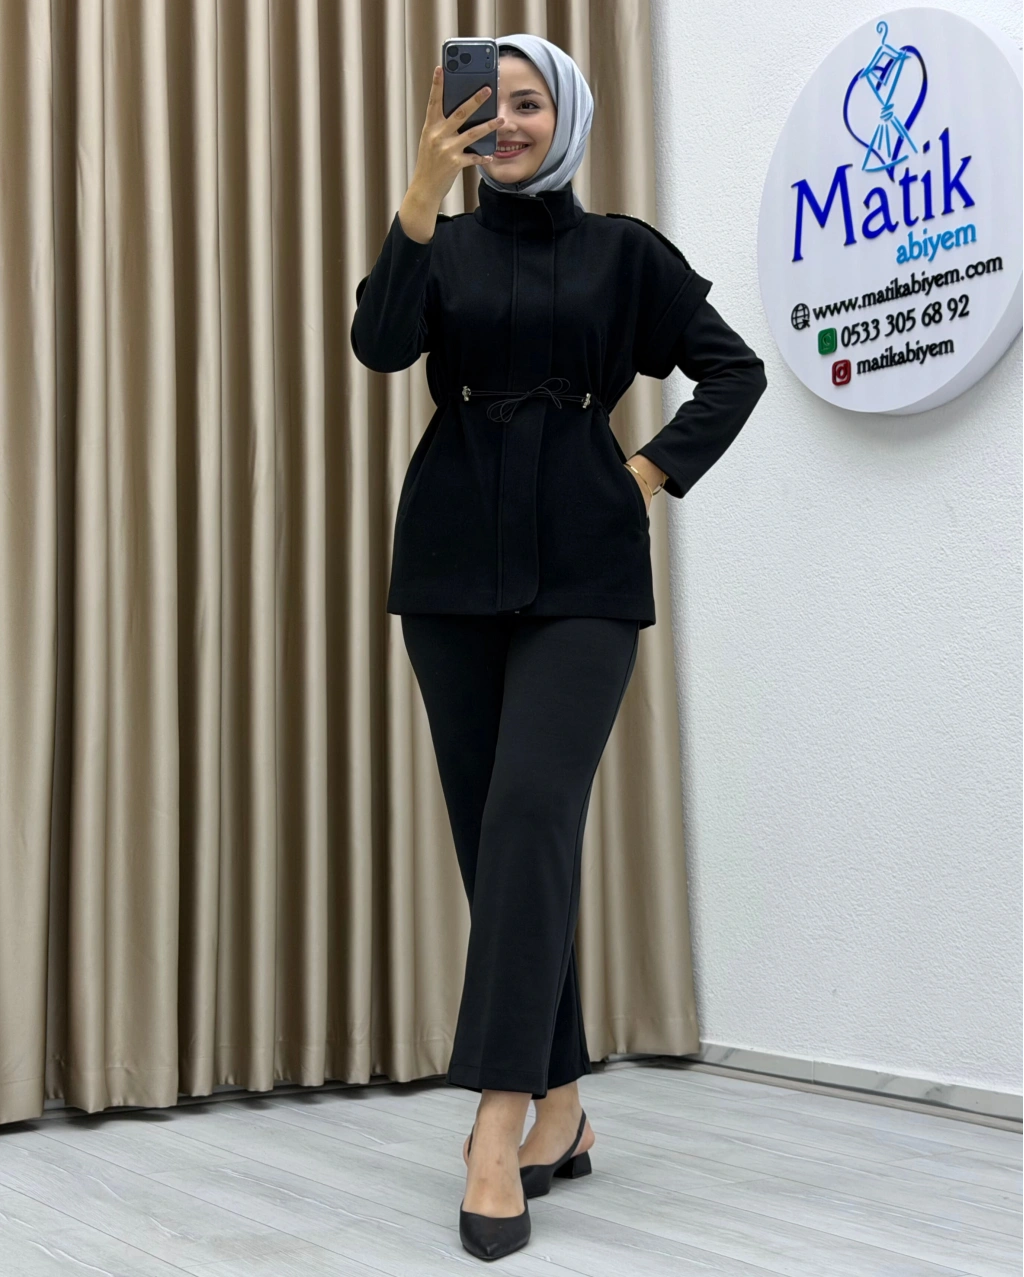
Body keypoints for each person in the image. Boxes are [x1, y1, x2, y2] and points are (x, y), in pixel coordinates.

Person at [350, 33, 767, 1261]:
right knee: (500, 846)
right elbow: (380, 344)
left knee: (533, 809)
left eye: (530, 102)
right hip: (448, 565)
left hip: (585, 568)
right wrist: (419, 196)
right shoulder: (442, 243)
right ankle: (565, 1103)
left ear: (567, 115)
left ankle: (497, 1120)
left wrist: (644, 473)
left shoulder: (625, 251)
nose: (508, 122)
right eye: (489, 102)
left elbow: (732, 371)